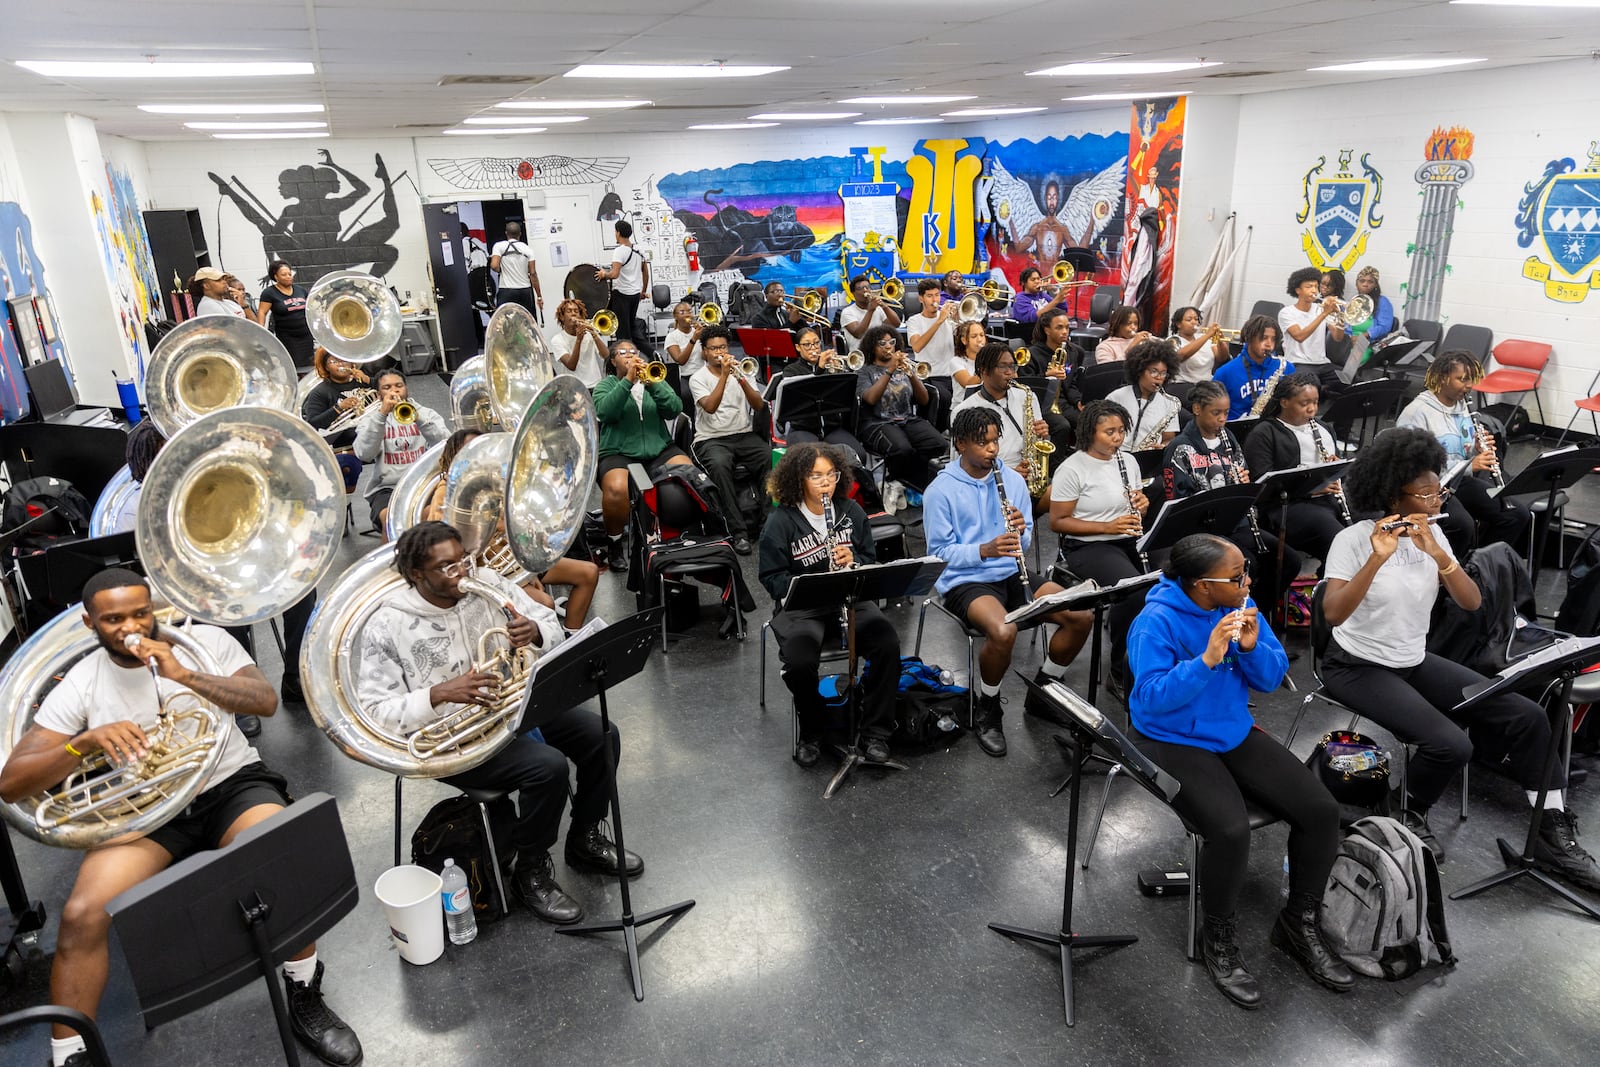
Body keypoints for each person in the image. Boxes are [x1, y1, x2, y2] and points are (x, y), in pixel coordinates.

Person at [0, 568, 364, 1067]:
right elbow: (12, 781)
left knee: (277, 856)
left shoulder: (204, 642)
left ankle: (304, 993)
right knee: (82, 914)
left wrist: (185, 675)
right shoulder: (82, 682)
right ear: (89, 623)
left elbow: (266, 701)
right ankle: (69, 1053)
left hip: (229, 784)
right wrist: (79, 743)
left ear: (154, 610)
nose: (131, 627)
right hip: (146, 809)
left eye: (140, 613)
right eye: (113, 619)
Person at [1319, 429, 1600, 889]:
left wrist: (1439, 556)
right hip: (1356, 664)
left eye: (1438, 491)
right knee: (1451, 744)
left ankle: (1551, 832)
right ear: (1394, 494)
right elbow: (1333, 613)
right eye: (1426, 493)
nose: (1436, 499)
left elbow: (1471, 603)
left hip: (1412, 658)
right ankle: (1403, 810)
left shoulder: (1434, 535)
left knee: (1527, 716)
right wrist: (1375, 559)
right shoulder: (1353, 540)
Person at [358, 522, 642, 926]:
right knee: (547, 768)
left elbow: (551, 626)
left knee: (602, 736)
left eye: (462, 561)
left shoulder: (484, 583)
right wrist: (439, 694)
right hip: (455, 734)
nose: (461, 573)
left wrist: (537, 632)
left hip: (511, 706)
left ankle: (584, 838)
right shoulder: (387, 624)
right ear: (416, 574)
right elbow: (376, 711)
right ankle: (530, 871)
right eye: (446, 567)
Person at [1128, 535, 1350, 1008]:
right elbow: (1148, 699)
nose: (1246, 581)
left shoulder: (1244, 605)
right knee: (1229, 830)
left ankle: (1297, 923)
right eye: (1236, 577)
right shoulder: (1155, 621)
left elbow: (1271, 680)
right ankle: (1220, 937)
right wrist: (1207, 660)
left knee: (1321, 810)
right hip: (1169, 737)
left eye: (1244, 572)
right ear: (1201, 586)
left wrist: (1250, 648)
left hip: (1230, 728)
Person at [924, 407, 1093, 756]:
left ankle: (1044, 691)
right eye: (982, 443)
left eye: (995, 441)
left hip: (1010, 572)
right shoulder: (940, 491)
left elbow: (1028, 539)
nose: (992, 450)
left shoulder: (1011, 480)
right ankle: (988, 706)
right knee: (1004, 631)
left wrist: (1020, 532)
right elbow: (939, 555)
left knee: (1080, 615)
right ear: (960, 445)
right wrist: (984, 550)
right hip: (965, 579)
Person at [758, 444, 902, 766]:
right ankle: (812, 730)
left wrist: (854, 561)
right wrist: (806, 581)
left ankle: (875, 730)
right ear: (799, 479)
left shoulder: (851, 512)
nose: (826, 483)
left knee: (887, 643)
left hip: (850, 599)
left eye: (831, 475)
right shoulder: (781, 522)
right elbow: (770, 577)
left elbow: (868, 557)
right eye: (816, 476)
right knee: (799, 661)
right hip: (802, 607)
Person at [422, 428, 600, 631]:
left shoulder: (494, 481)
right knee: (545, 604)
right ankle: (544, 648)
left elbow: (516, 526)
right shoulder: (446, 491)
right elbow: (447, 543)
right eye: (472, 451)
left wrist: (529, 570)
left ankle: (571, 637)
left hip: (515, 563)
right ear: (456, 455)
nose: (482, 456)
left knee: (588, 573)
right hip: (488, 571)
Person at [1161, 381, 1302, 626]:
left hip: (1237, 523)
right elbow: (1179, 499)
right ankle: (1232, 622)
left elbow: (1243, 471)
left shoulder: (1229, 438)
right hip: (1204, 530)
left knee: (1288, 560)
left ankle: (1257, 617)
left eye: (1226, 413)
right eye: (1216, 413)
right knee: (1250, 564)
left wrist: (1244, 482)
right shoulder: (1180, 448)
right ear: (1196, 409)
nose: (1222, 419)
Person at [1048, 399, 1151, 700]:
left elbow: (1135, 502)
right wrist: (1107, 527)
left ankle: (1151, 660)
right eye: (1109, 432)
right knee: (1134, 593)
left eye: (1121, 431)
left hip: (1125, 538)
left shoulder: (1128, 461)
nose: (1117, 438)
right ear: (1090, 432)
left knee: (1174, 576)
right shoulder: (1072, 468)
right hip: (1086, 546)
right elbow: (1058, 522)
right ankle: (1119, 671)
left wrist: (1142, 505)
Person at [1395, 350, 1531, 557]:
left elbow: (1462, 452)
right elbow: (1413, 467)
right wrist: (1470, 466)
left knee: (1515, 514)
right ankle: (1447, 576)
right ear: (1442, 377)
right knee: (1462, 525)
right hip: (1427, 488)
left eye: (1471, 380)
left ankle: (1478, 567)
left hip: (1458, 483)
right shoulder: (1417, 413)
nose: (1469, 386)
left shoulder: (1463, 407)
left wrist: (1477, 449)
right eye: (1462, 379)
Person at [593, 339, 696, 571]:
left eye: (634, 351)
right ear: (613, 361)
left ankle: (684, 532)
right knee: (616, 489)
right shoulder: (605, 386)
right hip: (618, 451)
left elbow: (673, 408)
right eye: (623, 352)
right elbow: (605, 412)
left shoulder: (654, 378)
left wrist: (652, 383)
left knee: (689, 474)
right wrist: (628, 381)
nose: (630, 355)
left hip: (658, 448)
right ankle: (615, 543)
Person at [1242, 371, 1349, 568]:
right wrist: (1312, 487)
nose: (1312, 409)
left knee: (1369, 520)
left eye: (1315, 402)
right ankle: (1330, 589)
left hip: (1326, 499)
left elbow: (1339, 472)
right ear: (1284, 402)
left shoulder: (1324, 428)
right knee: (1337, 537)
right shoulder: (1265, 433)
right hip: (1285, 506)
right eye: (1304, 403)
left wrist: (1336, 468)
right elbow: (1261, 488)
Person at [690, 324, 769, 555]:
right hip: (711, 438)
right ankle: (738, 533)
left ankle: (767, 526)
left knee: (769, 458)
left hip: (743, 433)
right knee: (720, 467)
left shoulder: (742, 370)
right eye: (713, 349)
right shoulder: (698, 378)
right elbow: (711, 407)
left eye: (723, 347)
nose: (719, 352)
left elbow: (758, 405)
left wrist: (741, 379)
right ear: (704, 352)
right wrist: (724, 377)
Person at [949, 342, 1052, 501]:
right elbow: (960, 465)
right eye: (1003, 367)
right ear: (983, 370)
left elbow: (1038, 443)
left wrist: (1042, 435)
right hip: (989, 484)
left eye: (1012, 367)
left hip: (1028, 476)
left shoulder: (1026, 395)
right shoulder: (964, 411)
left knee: (1064, 496)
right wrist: (1008, 474)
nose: (1010, 372)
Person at [353, 369, 450, 533]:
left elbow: (445, 444)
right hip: (387, 488)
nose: (394, 391)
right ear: (378, 395)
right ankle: (395, 558)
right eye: (387, 387)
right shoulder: (370, 419)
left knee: (432, 515)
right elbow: (364, 453)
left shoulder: (426, 413)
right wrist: (382, 415)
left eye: (399, 386)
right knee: (390, 520)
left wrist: (418, 418)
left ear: (406, 388)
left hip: (423, 483)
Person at [855, 325, 945, 495]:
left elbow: (924, 399)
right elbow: (870, 398)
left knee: (938, 443)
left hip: (906, 419)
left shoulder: (905, 367)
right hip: (877, 423)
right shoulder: (865, 372)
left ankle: (906, 480)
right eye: (882, 343)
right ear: (872, 347)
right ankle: (895, 480)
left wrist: (911, 374)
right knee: (902, 449)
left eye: (892, 342)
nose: (888, 346)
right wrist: (889, 370)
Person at [766, 325, 869, 464]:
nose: (813, 348)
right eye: (807, 345)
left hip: (831, 427)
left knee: (858, 455)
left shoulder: (830, 366)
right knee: (811, 460)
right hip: (803, 428)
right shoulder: (791, 370)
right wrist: (819, 370)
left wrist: (841, 374)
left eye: (816, 343)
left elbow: (846, 396)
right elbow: (799, 398)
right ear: (798, 347)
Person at [300, 346, 370, 493]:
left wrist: (370, 380)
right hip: (344, 446)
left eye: (344, 360)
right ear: (326, 366)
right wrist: (339, 408)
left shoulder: (363, 381)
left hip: (372, 438)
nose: (341, 364)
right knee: (348, 465)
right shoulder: (320, 392)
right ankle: (346, 500)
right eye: (334, 361)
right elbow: (313, 423)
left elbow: (388, 391)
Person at [1021, 306, 1080, 453]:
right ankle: (1054, 466)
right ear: (1047, 330)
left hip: (1063, 402)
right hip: (1041, 404)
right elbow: (1025, 384)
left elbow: (1072, 384)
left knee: (1089, 419)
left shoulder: (1072, 352)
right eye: (1059, 328)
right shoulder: (1032, 354)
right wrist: (1047, 376)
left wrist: (1078, 401)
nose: (1065, 332)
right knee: (1062, 426)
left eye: (1067, 327)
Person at [1105, 339, 1182, 453]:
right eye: (1153, 371)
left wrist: (1163, 447)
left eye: (1163, 373)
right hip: (1116, 456)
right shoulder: (1116, 397)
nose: (1159, 377)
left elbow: (1168, 439)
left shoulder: (1170, 403)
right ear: (1140, 370)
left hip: (1148, 459)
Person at [1278, 266, 1346, 394]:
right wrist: (1324, 314)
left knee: (1352, 381)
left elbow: (1338, 337)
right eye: (1309, 286)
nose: (1314, 290)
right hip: (1298, 363)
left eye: (1316, 286)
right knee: (1313, 386)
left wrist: (1340, 317)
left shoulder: (1320, 309)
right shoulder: (1287, 313)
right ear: (1298, 290)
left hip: (1323, 363)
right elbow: (1299, 336)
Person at [1212, 315, 1292, 420]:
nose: (1269, 345)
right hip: (1237, 429)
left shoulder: (1286, 367)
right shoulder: (1225, 372)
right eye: (1264, 338)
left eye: (1273, 339)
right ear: (1248, 338)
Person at [594, 219, 650, 352]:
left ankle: (626, 358)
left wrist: (603, 274)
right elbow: (645, 273)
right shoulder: (639, 249)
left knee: (622, 333)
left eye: (615, 231)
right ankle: (651, 352)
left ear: (618, 233)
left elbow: (614, 274)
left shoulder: (620, 251)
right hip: (635, 295)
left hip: (622, 295)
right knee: (632, 328)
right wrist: (642, 291)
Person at [256, 260, 314, 368]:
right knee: (295, 366)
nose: (288, 277)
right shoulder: (269, 293)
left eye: (289, 274)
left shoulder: (300, 290)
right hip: (288, 338)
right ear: (276, 277)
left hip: (306, 335)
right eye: (284, 274)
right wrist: (261, 329)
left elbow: (311, 308)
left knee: (309, 366)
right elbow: (262, 311)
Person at [547, 297, 608, 389]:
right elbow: (571, 365)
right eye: (569, 311)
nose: (573, 314)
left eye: (576, 311)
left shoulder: (590, 334)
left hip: (595, 384)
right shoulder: (557, 340)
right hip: (574, 387)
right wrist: (579, 340)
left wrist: (594, 335)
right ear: (562, 317)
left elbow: (606, 356)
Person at [491, 221, 544, 320]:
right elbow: (533, 273)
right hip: (525, 291)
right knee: (526, 322)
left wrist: (501, 270)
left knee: (505, 323)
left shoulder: (499, 246)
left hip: (507, 291)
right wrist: (539, 296)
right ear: (520, 234)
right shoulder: (528, 249)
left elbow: (494, 265)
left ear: (506, 233)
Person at [839, 272, 901, 353]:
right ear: (853, 293)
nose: (865, 290)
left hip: (878, 355)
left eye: (867, 287)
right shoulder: (847, 312)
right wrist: (870, 311)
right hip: (860, 355)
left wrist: (884, 306)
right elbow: (858, 334)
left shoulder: (878, 309)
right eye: (860, 288)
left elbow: (896, 324)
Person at [1168, 305, 1228, 383]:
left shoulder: (1204, 338)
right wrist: (1207, 335)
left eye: (1196, 319)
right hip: (1183, 383)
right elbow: (1180, 356)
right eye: (1189, 320)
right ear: (1178, 324)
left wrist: (1220, 341)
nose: (1194, 322)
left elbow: (1222, 358)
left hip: (1207, 383)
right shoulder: (1173, 340)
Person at [949, 317, 985, 391]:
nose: (979, 340)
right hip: (964, 402)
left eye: (982, 335)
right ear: (964, 340)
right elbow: (969, 385)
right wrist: (986, 364)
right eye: (974, 336)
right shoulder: (956, 361)